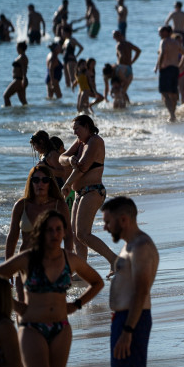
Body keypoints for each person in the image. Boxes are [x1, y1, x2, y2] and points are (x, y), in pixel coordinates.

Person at [0, 211, 104, 367]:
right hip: (32, 327)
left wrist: (76, 304)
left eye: (58, 229)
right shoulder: (27, 258)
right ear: (40, 232)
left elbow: (97, 282)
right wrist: (15, 305)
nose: (54, 234)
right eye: (49, 230)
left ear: (64, 232)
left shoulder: (70, 259)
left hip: (61, 327)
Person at [102, 197, 159, 367]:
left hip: (132, 320)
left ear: (123, 220)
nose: (105, 228)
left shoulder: (141, 247)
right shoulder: (129, 246)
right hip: (125, 318)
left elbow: (141, 291)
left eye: (108, 222)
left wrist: (128, 330)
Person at [60, 115, 117, 270]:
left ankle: (114, 260)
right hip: (79, 193)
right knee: (76, 236)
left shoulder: (95, 141)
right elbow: (61, 158)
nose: (74, 132)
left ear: (86, 127)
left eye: (77, 129)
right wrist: (70, 159)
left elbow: (83, 167)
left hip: (93, 191)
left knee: (83, 234)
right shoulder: (80, 142)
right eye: (73, 129)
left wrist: (67, 184)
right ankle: (82, 270)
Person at [153, 26, 183, 121]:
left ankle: (172, 115)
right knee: (173, 93)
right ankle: (173, 114)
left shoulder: (164, 41)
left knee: (164, 93)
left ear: (167, 32)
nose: (159, 34)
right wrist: (179, 65)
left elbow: (162, 53)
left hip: (166, 69)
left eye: (161, 32)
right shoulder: (176, 42)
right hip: (175, 68)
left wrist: (159, 66)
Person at [3, 42, 27, 107]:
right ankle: (27, 112)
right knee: (23, 102)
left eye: (17, 48)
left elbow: (24, 69)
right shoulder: (21, 56)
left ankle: (8, 110)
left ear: (20, 48)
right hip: (19, 79)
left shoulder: (23, 57)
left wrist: (24, 79)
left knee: (6, 96)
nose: (16, 49)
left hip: (19, 80)